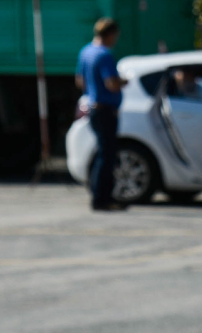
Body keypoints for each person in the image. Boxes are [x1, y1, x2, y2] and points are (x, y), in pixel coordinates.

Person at [76, 18, 126, 211]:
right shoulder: (105, 55)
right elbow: (111, 83)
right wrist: (124, 82)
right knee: (107, 155)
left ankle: (100, 196)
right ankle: (102, 199)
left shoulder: (86, 51)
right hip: (105, 109)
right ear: (111, 34)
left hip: (93, 107)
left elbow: (80, 81)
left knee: (102, 153)